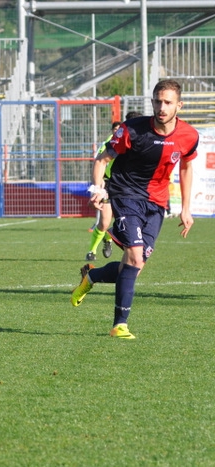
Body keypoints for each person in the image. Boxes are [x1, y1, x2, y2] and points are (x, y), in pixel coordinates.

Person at [71, 80, 198, 339]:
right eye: (157, 101)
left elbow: (186, 167)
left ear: (179, 105)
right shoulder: (133, 130)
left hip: (157, 203)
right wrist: (97, 189)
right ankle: (120, 325)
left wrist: (186, 209)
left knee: (134, 266)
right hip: (125, 195)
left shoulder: (189, 135)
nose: (161, 107)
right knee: (135, 256)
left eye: (168, 102)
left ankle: (92, 277)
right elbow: (103, 159)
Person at [85, 111, 143, 261]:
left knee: (127, 222)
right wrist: (98, 185)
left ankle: (114, 240)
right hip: (109, 183)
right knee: (104, 222)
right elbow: (100, 161)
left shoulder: (144, 141)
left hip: (129, 187)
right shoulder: (112, 141)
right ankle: (92, 251)